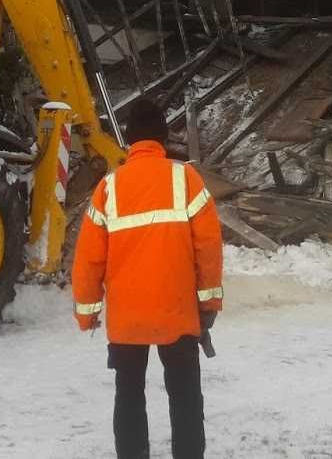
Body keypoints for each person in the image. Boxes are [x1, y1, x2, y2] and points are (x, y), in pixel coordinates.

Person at [72, 99, 223, 459]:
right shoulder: (185, 178)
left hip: (127, 320)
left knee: (128, 394)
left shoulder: (108, 188)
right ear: (164, 136)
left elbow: (89, 258)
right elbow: (209, 246)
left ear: (128, 139)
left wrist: (87, 312)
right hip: (178, 313)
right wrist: (209, 302)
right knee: (185, 395)